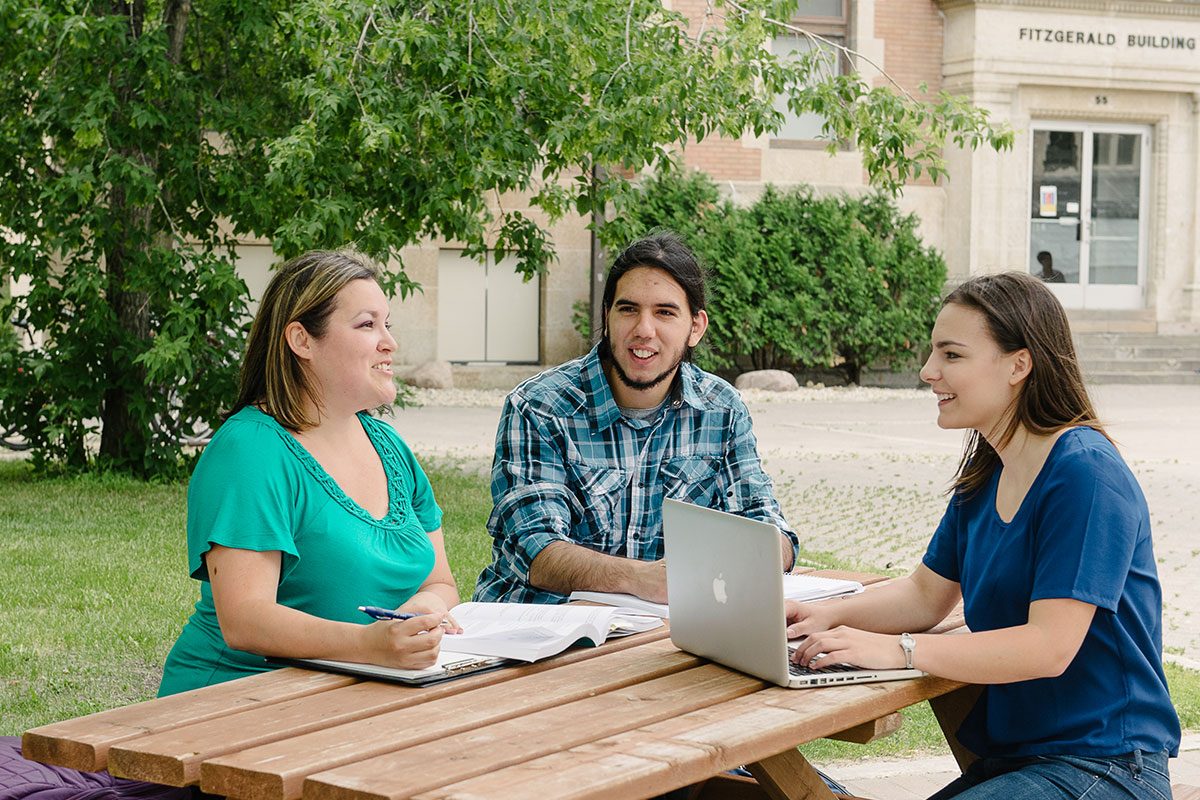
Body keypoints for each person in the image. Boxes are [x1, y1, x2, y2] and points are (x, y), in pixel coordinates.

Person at [787, 272, 1180, 799]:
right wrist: (819, 617)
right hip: (1019, 761)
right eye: (933, 352)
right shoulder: (988, 470)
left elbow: (1049, 646)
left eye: (951, 354)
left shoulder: (1086, 473)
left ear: (1019, 364)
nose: (928, 371)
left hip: (1104, 766)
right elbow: (924, 595)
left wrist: (899, 651)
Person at [159, 249, 461, 696]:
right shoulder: (249, 451)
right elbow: (244, 619)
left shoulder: (390, 447)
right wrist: (368, 644)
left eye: (387, 324)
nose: (389, 343)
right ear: (301, 340)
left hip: (356, 694)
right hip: (236, 700)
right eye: (366, 325)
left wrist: (422, 611)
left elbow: (440, 581)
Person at [473, 231, 798, 605]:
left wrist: (762, 553)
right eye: (628, 309)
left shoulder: (721, 410)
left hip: (661, 633)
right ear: (607, 318)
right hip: (540, 631)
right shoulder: (539, 407)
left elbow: (769, 528)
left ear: (695, 327)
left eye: (664, 312)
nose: (644, 329)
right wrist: (647, 580)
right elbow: (538, 551)